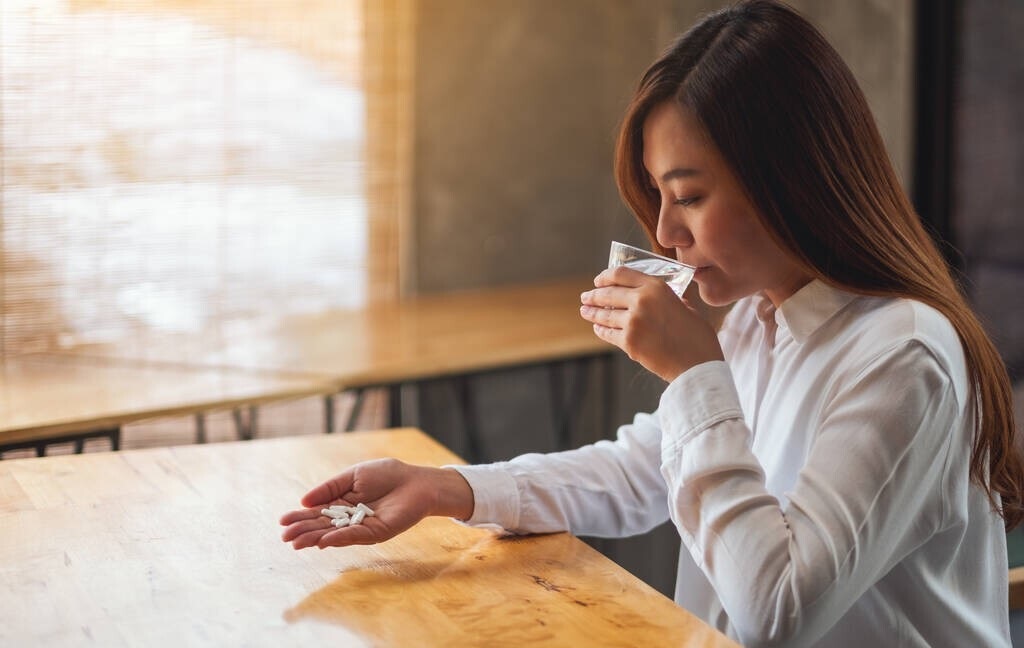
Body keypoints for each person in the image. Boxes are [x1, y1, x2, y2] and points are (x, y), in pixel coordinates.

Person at [280, 1, 1023, 645]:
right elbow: (645, 469)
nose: (666, 233)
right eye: (658, 197)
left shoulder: (904, 355)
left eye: (689, 196)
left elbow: (775, 610)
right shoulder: (756, 317)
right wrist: (446, 489)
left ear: (789, 178)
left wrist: (696, 375)